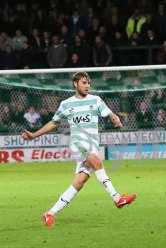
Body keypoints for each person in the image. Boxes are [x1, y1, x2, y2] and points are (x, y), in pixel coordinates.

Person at [21, 72, 137, 227]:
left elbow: (109, 113)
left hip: (93, 144)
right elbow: (54, 123)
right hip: (79, 145)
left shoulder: (95, 100)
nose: (87, 85)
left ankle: (49, 213)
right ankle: (117, 198)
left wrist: (114, 117)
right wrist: (34, 135)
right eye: (84, 82)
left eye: (88, 83)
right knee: (97, 163)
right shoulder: (66, 104)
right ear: (75, 84)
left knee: (79, 182)